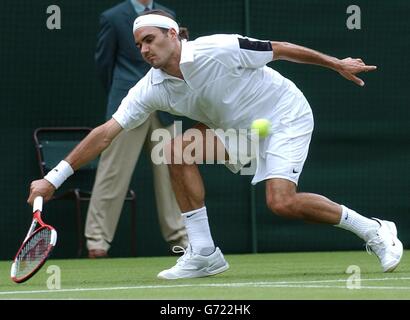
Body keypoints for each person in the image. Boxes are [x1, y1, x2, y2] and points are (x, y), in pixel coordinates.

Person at [28, 11, 403, 279]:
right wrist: (54, 179)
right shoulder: (148, 88)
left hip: (285, 116)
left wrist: (335, 63)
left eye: (150, 40)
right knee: (173, 149)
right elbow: (106, 133)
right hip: (235, 131)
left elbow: (281, 48)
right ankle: (204, 253)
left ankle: (375, 230)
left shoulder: (218, 49)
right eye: (139, 44)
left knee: (282, 203)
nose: (144, 49)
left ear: (173, 36)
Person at [86, 1, 188, 258]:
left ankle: (181, 240)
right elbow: (103, 64)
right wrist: (125, 96)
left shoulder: (168, 15)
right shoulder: (112, 17)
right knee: (113, 174)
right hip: (128, 105)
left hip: (166, 104)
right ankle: (97, 242)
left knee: (174, 173)